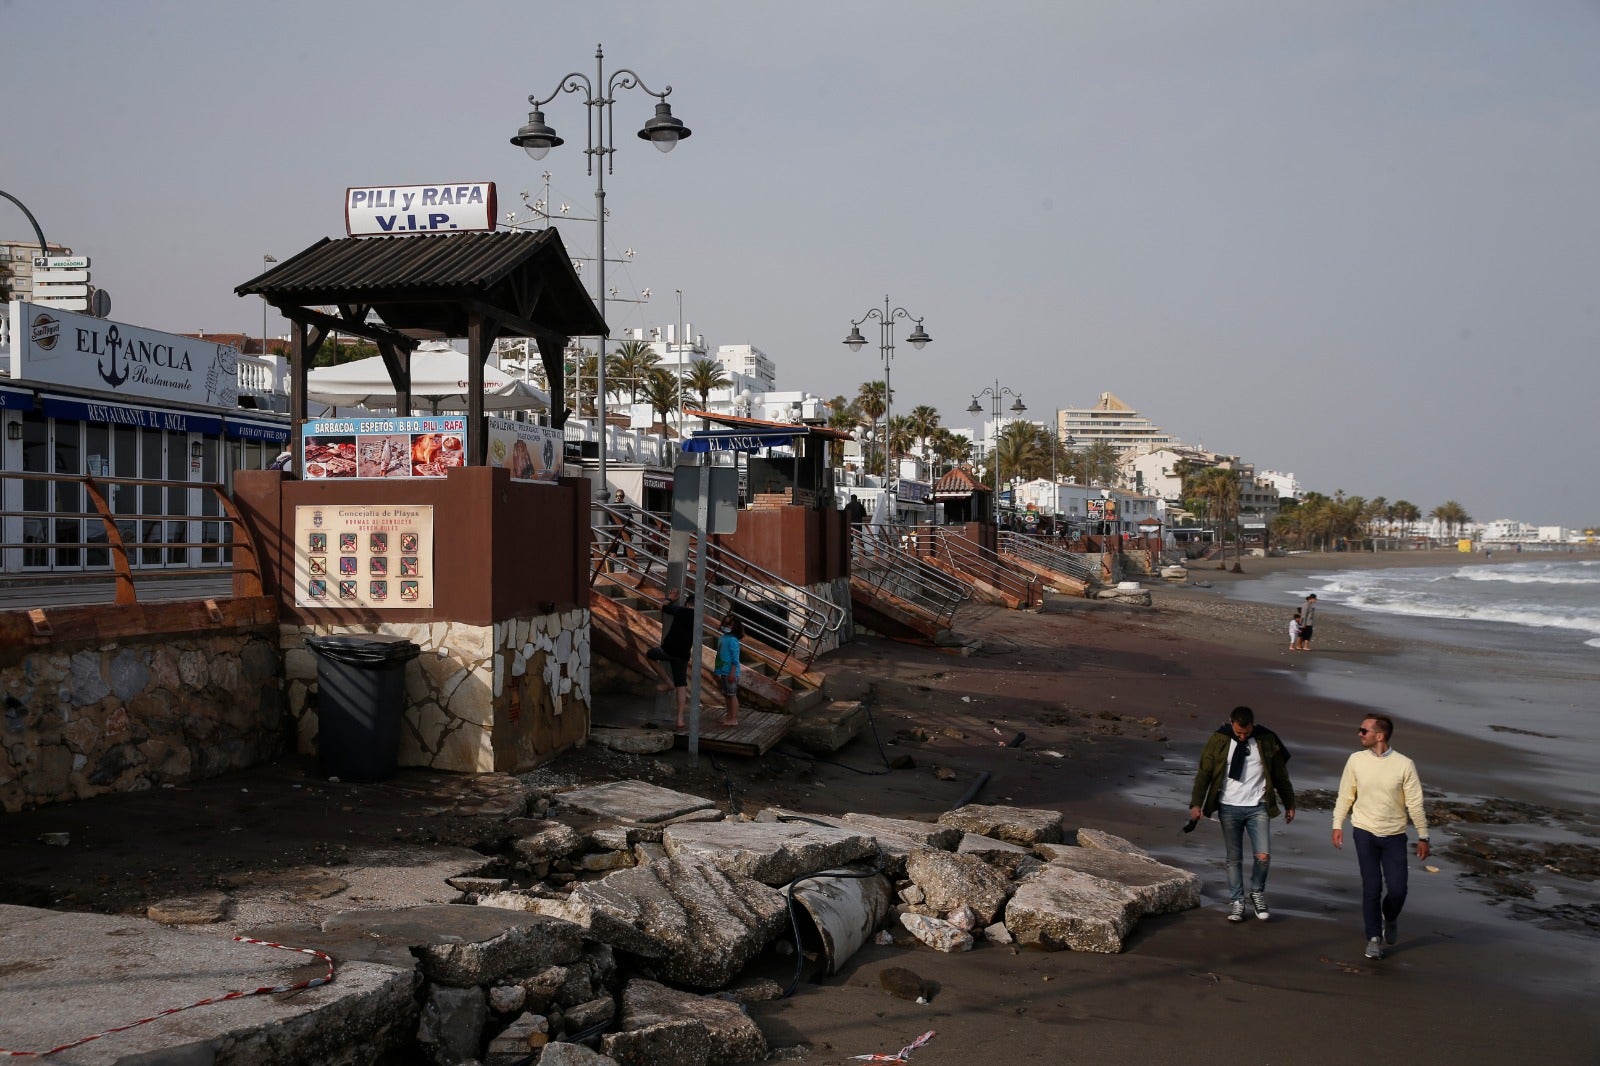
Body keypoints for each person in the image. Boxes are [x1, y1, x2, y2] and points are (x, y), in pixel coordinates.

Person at [1331, 714, 1430, 960]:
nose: (1359, 734)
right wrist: (1337, 825)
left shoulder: (1404, 764)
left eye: (1364, 730)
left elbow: (1415, 804)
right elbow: (1346, 795)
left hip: (1394, 835)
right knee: (1371, 887)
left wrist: (1423, 836)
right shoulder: (1355, 760)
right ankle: (1373, 938)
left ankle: (1391, 917)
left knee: (1398, 889)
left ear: (1380, 735)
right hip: (1363, 831)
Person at [1188, 706, 1296, 921]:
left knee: (1263, 856)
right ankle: (1237, 901)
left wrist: (1289, 803)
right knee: (1234, 858)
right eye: (1239, 733)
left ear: (1252, 725)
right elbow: (1204, 773)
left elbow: (1280, 774)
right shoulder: (1219, 740)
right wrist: (1196, 803)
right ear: (1231, 723)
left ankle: (1256, 892)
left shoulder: (1265, 739)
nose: (1243, 736)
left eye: (1246, 732)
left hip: (1259, 806)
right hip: (1229, 806)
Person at [647, 588, 696, 729]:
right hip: (683, 654)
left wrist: (670, 598)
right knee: (681, 684)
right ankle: (680, 719)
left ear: (687, 603)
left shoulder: (681, 611)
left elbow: (662, 606)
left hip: (668, 649)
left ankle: (668, 683)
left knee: (650, 655)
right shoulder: (698, 617)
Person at [712, 617, 743, 728]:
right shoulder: (722, 638)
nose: (727, 625)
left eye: (730, 624)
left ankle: (733, 718)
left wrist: (732, 673)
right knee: (727, 695)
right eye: (725, 623)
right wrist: (717, 671)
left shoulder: (733, 640)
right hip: (722, 671)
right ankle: (729, 717)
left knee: (732, 694)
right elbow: (719, 655)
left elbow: (735, 659)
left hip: (730, 672)